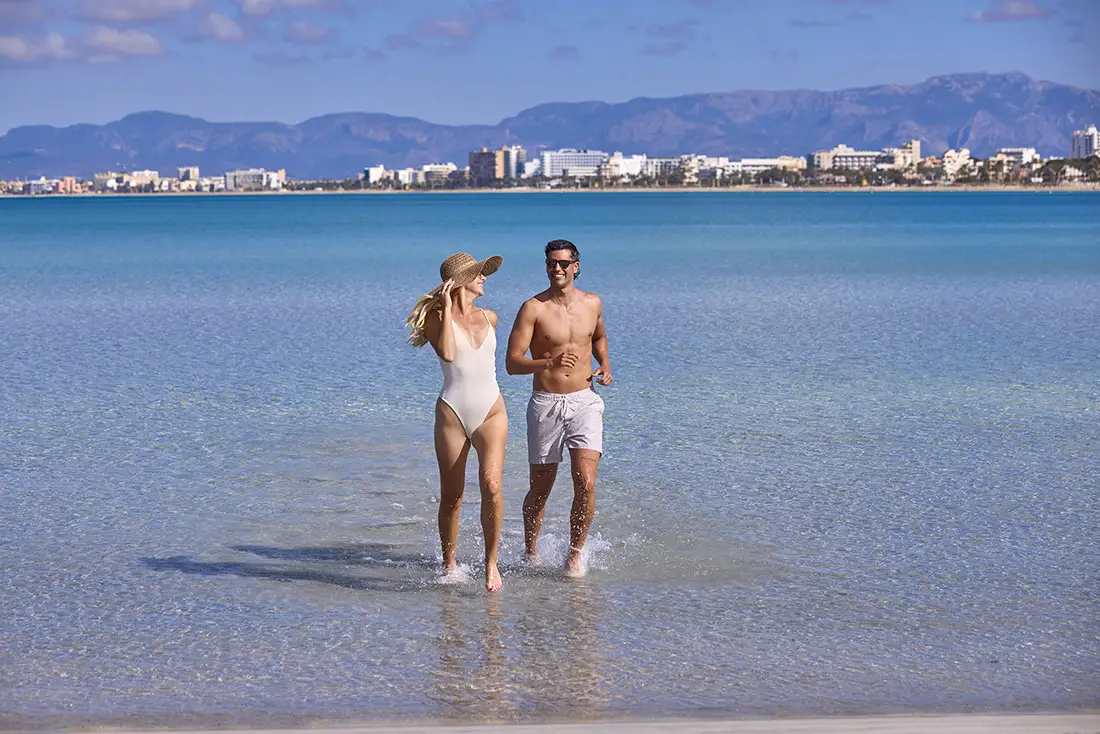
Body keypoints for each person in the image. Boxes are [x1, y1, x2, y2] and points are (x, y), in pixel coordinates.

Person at [505, 239, 612, 578]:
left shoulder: (592, 303)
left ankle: (575, 555)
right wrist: (548, 360)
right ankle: (531, 551)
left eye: (564, 263)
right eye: (552, 263)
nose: (558, 269)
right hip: (546, 404)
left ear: (576, 266)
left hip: (585, 400)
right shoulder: (532, 308)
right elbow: (512, 363)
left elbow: (598, 337)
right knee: (541, 487)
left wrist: (605, 365)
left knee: (586, 481)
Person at [406, 252, 507, 592]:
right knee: (453, 495)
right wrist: (447, 308)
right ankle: (449, 563)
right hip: (452, 413)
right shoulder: (437, 319)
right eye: (478, 273)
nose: (484, 278)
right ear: (461, 280)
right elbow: (448, 354)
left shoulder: (491, 317)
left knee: (492, 486)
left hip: (492, 411)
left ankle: (490, 563)